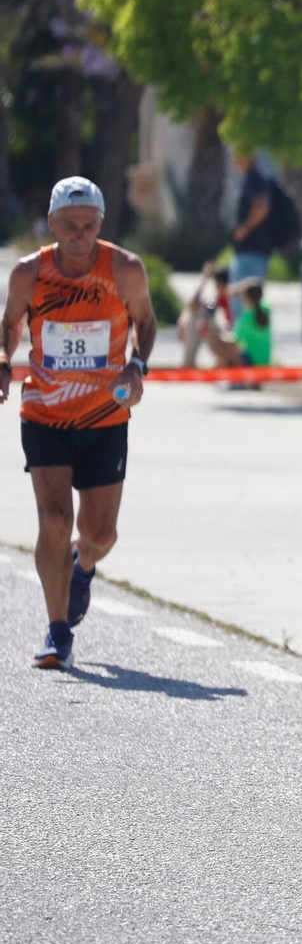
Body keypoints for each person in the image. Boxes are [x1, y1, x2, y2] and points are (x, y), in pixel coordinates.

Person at [0, 177, 157, 669]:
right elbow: (10, 326)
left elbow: (146, 323)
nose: (79, 235)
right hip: (45, 413)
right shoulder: (30, 273)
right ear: (51, 223)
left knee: (100, 535)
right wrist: (3, 360)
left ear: (101, 224)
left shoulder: (124, 269)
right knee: (53, 520)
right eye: (69, 225)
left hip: (105, 416)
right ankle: (57, 633)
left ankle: (81, 564)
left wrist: (136, 365)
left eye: (89, 225)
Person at [229, 152, 275, 317]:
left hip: (252, 251)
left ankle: (243, 332)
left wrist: (245, 229)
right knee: (242, 300)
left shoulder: (255, 178)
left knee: (244, 300)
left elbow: (261, 206)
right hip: (250, 251)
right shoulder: (252, 178)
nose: (234, 160)